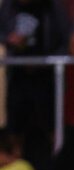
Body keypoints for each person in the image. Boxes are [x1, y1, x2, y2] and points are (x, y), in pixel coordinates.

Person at [0, 0, 69, 160]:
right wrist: (10, 40)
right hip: (17, 72)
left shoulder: (52, 6)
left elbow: (66, 38)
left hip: (46, 74)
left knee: (52, 125)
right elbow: (2, 31)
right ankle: (18, 169)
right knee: (15, 128)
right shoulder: (9, 5)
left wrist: (48, 60)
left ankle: (57, 165)